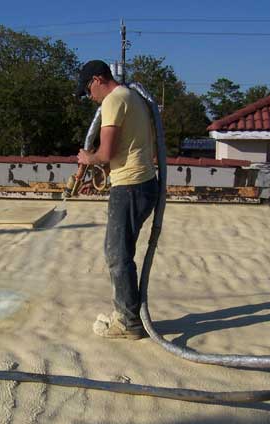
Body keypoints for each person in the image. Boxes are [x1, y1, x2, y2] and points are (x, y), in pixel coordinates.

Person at [75, 60, 159, 340]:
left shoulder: (113, 101)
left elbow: (106, 152)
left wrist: (88, 158)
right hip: (142, 184)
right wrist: (100, 177)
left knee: (117, 256)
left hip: (131, 187)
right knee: (121, 253)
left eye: (88, 89)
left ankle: (128, 322)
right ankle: (128, 313)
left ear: (99, 79)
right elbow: (125, 149)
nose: (89, 96)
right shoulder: (131, 97)